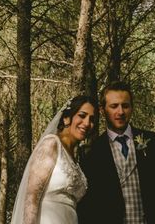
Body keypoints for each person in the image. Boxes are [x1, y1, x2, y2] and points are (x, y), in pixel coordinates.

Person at [77, 81, 155, 224]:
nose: (120, 112)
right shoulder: (92, 153)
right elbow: (91, 208)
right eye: (114, 106)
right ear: (102, 110)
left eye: (125, 106)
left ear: (132, 108)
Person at [11, 95, 97, 224]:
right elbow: (31, 197)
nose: (87, 123)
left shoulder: (76, 159)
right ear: (67, 118)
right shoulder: (51, 144)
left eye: (92, 119)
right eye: (82, 115)